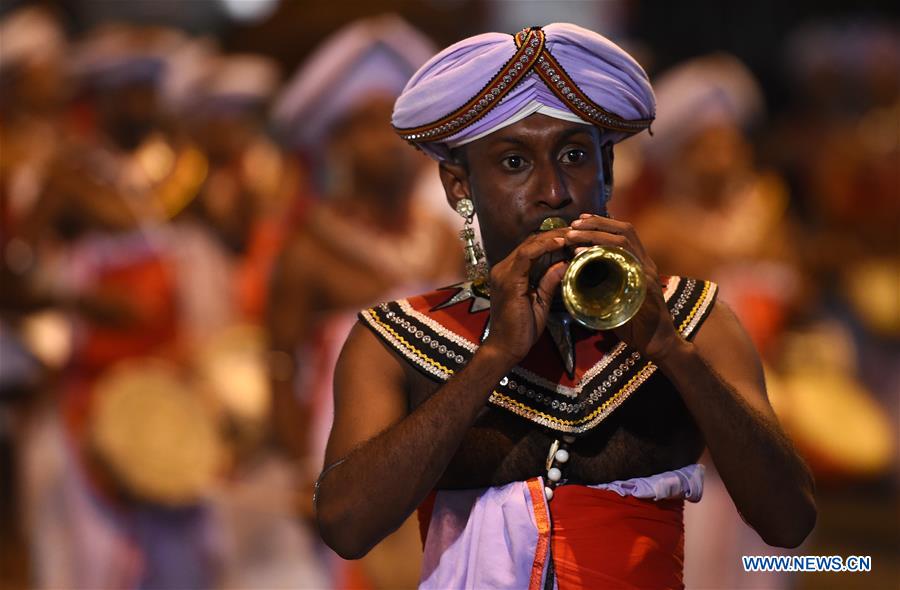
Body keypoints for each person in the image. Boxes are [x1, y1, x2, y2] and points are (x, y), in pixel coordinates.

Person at [315, 23, 816, 589]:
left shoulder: (695, 317)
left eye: (575, 155)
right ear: (458, 184)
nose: (554, 190)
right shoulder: (394, 337)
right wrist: (494, 356)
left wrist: (671, 350)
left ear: (609, 169)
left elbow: (790, 522)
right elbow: (346, 526)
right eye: (513, 163)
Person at [266, 15, 461, 589]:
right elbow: (280, 365)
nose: (391, 145)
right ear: (339, 144)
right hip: (347, 455)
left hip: (444, 454)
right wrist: (302, 470)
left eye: (401, 127)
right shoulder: (307, 249)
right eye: (369, 128)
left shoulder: (446, 238)